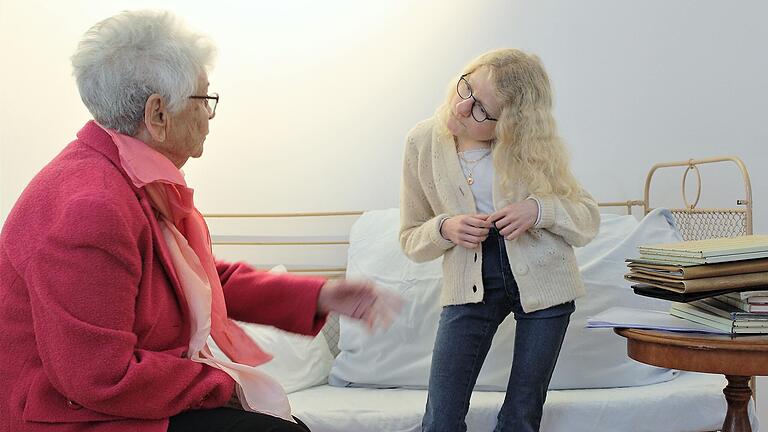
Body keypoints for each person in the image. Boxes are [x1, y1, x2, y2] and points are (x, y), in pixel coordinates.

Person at [0, 10, 399, 432]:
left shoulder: (126, 176)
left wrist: (321, 296)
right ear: (158, 115)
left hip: (112, 397)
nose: (209, 116)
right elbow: (98, 376)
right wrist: (222, 384)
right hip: (72, 415)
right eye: (204, 99)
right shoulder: (93, 205)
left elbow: (196, 281)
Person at [399, 48, 600, 432]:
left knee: (519, 420)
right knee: (440, 421)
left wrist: (538, 209)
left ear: (510, 125)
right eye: (466, 89)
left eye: (481, 112)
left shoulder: (530, 149)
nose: (461, 108)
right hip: (470, 282)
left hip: (546, 283)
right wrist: (445, 228)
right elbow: (411, 238)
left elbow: (587, 219)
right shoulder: (422, 142)